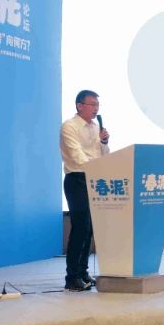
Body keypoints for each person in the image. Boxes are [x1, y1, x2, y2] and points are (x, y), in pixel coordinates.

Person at [60, 90, 109, 291]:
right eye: (92, 104)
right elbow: (76, 156)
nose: (96, 108)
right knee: (80, 227)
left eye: (97, 105)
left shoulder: (96, 127)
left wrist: (104, 142)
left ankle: (83, 272)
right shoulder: (69, 127)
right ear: (79, 106)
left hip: (94, 179)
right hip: (77, 179)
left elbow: (103, 155)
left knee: (90, 229)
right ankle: (71, 277)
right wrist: (96, 166)